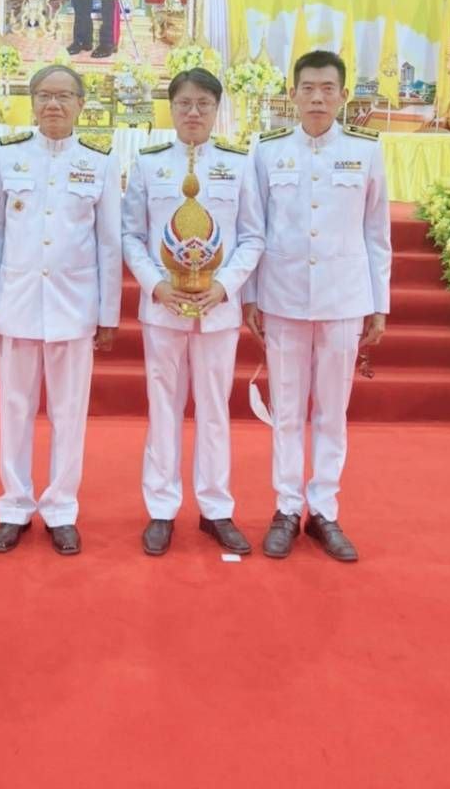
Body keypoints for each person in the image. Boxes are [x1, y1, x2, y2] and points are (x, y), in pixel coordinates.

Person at [244, 50, 391, 563]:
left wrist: (379, 303)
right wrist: (250, 295)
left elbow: (377, 232)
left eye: (328, 89)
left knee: (332, 411)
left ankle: (324, 510)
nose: (317, 98)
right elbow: (253, 228)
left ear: (343, 96)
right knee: (287, 409)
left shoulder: (366, 150)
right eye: (307, 88)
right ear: (292, 94)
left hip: (343, 298)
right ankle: (286, 508)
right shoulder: (266, 150)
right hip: (283, 296)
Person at [0, 64, 122, 555]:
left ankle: (61, 507)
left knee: (69, 412)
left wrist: (107, 314)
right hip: (17, 302)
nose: (53, 105)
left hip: (74, 307)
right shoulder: (7, 154)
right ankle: (14, 506)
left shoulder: (100, 161)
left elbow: (109, 244)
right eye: (44, 95)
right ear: (32, 102)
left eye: (63, 96)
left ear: (81, 104)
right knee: (15, 410)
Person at [122, 68, 264, 556]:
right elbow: (131, 234)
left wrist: (225, 287)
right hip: (164, 308)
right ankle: (161, 508)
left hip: (217, 310)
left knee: (214, 408)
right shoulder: (149, 164)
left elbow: (253, 236)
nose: (193, 112)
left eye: (204, 103)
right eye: (184, 103)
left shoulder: (238, 164)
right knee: (163, 406)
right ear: (172, 108)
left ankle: (215, 508)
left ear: (217, 109)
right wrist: (156, 285)